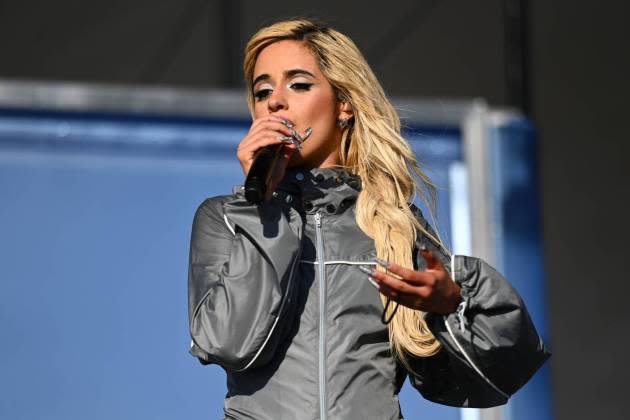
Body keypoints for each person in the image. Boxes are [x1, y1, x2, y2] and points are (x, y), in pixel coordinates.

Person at [187, 19, 550, 420]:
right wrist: (263, 209)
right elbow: (231, 343)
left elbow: (493, 378)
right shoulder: (227, 219)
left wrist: (452, 306)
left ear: (344, 103)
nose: (275, 102)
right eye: (263, 91)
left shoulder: (391, 228)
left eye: (299, 84)